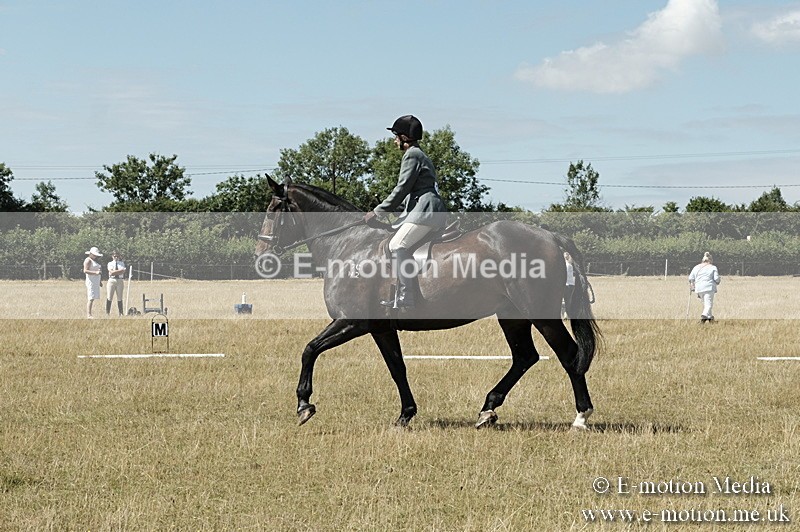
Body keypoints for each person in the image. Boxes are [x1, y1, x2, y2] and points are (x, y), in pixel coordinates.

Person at [363, 115, 448, 309]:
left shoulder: (412, 154)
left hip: (427, 210)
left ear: (403, 137)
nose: (394, 141)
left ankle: (406, 297)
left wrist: (378, 212)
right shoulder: (420, 154)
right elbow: (412, 193)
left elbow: (402, 188)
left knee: (397, 245)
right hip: (425, 207)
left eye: (395, 137)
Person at [688, 251, 721, 323]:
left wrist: (692, 285)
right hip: (709, 287)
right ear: (710, 260)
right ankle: (703, 317)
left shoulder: (696, 267)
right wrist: (719, 280)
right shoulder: (713, 267)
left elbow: (691, 278)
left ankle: (711, 319)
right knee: (709, 304)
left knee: (706, 304)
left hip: (699, 288)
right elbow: (716, 279)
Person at [83, 246, 103, 319]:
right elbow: (85, 271)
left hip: (95, 281)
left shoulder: (94, 261)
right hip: (91, 281)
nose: (95, 256)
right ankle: (89, 314)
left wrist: (99, 281)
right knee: (90, 298)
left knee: (93, 298)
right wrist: (96, 272)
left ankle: (90, 313)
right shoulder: (88, 260)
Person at [105, 251, 127, 316]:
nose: (116, 257)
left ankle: (121, 313)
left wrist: (116, 272)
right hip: (112, 280)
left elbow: (123, 271)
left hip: (120, 280)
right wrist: (119, 271)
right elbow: (111, 272)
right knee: (109, 297)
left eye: (117, 256)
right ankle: (107, 312)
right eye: (115, 256)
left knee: (120, 297)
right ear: (112, 256)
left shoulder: (122, 263)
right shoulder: (110, 263)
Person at [563, 251, 576, 317]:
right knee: (568, 301)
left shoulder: (565, 265)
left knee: (562, 301)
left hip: (566, 285)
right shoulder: (570, 265)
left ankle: (566, 315)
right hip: (571, 285)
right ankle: (567, 314)